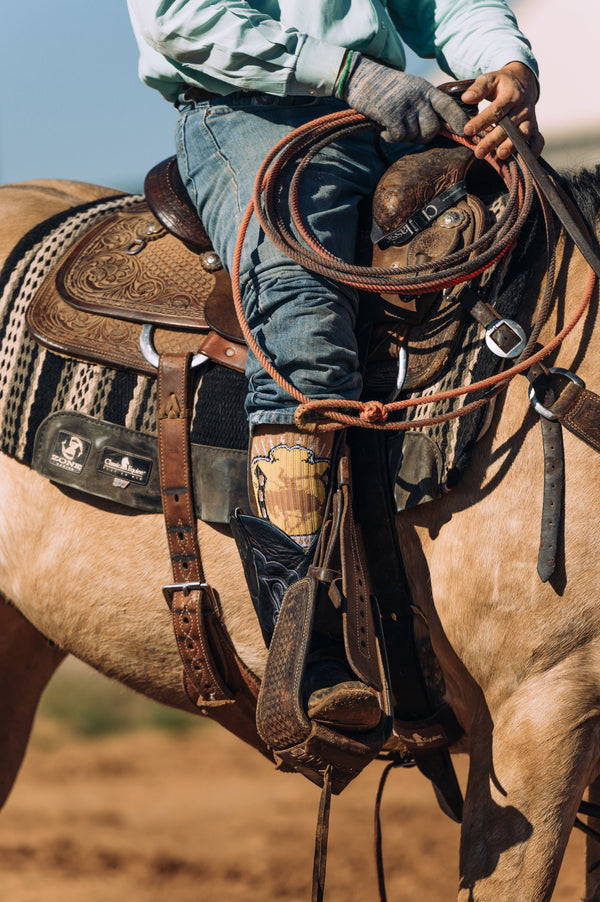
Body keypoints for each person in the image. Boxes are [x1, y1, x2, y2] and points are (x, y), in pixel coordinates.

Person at [127, 0, 542, 731]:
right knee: (303, 326)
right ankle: (306, 639)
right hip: (248, 115)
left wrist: (507, 65)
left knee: (533, 257)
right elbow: (182, 19)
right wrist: (349, 72)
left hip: (389, 117)